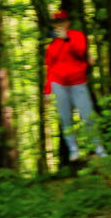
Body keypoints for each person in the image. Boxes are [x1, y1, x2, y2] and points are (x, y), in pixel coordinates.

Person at [43, 9, 100, 166]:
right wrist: (47, 91)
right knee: (66, 119)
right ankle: (74, 151)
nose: (59, 25)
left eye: (62, 21)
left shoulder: (77, 36)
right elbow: (50, 69)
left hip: (78, 82)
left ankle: (98, 149)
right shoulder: (51, 46)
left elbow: (80, 52)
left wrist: (67, 39)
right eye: (56, 23)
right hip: (59, 85)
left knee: (87, 116)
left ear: (67, 23)